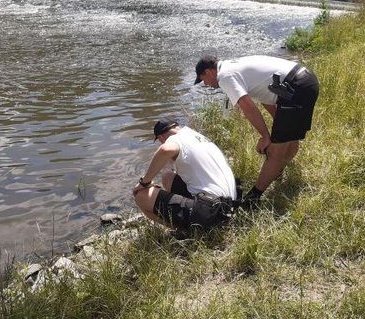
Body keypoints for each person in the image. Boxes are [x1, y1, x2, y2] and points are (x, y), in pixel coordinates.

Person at [194, 55, 319, 203]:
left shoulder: (224, 76)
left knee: (274, 151)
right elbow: (265, 96)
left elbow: (247, 106)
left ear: (208, 72)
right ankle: (276, 171)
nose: (206, 84)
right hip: (305, 81)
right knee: (289, 139)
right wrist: (279, 125)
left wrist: (266, 137)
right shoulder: (233, 66)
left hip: (295, 88)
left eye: (203, 80)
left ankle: (253, 199)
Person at [133, 120, 238, 229]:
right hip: (229, 206)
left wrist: (144, 182)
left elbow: (165, 150)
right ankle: (186, 220)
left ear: (161, 138)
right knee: (168, 178)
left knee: (141, 196)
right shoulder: (194, 135)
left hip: (211, 213)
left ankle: (182, 231)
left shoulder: (173, 139)